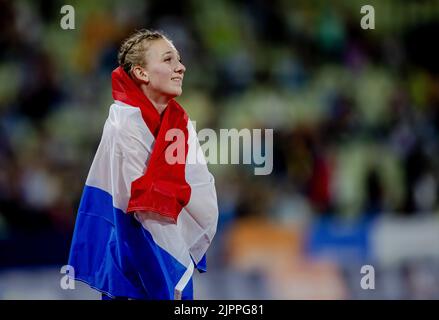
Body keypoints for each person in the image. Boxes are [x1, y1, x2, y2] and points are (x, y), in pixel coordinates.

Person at [68, 29, 219, 300]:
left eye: (179, 60)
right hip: (133, 268)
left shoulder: (180, 123)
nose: (181, 67)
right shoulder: (124, 125)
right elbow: (141, 212)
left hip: (167, 257)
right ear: (142, 73)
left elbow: (199, 188)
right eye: (168, 60)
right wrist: (168, 282)